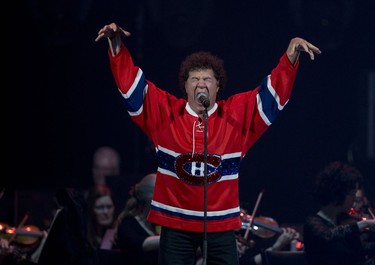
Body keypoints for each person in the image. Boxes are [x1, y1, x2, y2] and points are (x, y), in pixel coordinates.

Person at [95, 22, 321, 264]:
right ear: (185, 86)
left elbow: (272, 97)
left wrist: (289, 59)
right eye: (194, 79)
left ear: (218, 86)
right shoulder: (166, 115)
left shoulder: (236, 116)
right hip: (175, 226)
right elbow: (132, 88)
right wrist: (117, 49)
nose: (201, 83)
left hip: (220, 227)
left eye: (207, 79)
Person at [303, 161, 375, 265]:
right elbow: (328, 235)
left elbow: (361, 250)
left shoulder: (344, 220)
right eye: (352, 194)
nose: (355, 198)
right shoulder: (313, 224)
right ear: (338, 193)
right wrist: (366, 223)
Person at [114, 173, 160, 265]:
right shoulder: (127, 226)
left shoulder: (158, 226)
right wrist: (174, 237)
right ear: (150, 198)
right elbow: (143, 245)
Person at [86, 185, 117, 250]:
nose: (105, 212)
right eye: (100, 208)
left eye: (109, 207)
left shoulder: (120, 235)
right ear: (92, 210)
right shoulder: (84, 237)